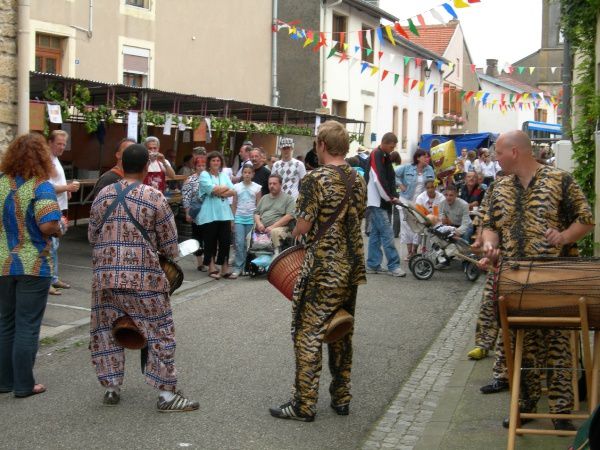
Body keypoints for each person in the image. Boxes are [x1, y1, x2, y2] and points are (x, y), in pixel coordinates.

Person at [478, 130, 593, 431]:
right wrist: (490, 244)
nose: (495, 158)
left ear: (515, 152)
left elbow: (586, 218)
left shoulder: (559, 180)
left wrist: (564, 236)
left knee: (559, 345)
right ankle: (524, 406)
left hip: (555, 278)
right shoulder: (498, 187)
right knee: (520, 345)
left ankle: (562, 413)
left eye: (499, 153)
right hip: (516, 280)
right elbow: (489, 226)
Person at [88, 143, 199, 411]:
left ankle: (111, 388)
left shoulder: (103, 195)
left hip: (104, 278)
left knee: (105, 330)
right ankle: (167, 396)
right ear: (148, 167)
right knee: (160, 332)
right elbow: (171, 245)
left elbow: (92, 236)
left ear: (122, 164)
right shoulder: (154, 196)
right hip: (144, 279)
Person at [269, 120, 367, 422]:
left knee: (307, 334)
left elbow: (304, 226)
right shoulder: (358, 179)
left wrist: (293, 232)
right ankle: (341, 397)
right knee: (340, 331)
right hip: (351, 268)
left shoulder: (315, 179)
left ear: (321, 145)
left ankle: (304, 404)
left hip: (323, 269)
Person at [0, 133, 63, 398]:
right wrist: (59, 229)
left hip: (3, 263)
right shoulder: (41, 186)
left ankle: (5, 381)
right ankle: (25, 384)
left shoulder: (1, 183)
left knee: (5, 323)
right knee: (27, 325)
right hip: (33, 264)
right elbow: (48, 224)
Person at [365, 133, 405, 277]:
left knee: (376, 233)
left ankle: (373, 264)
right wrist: (390, 197)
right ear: (385, 143)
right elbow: (378, 178)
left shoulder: (384, 155)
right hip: (377, 201)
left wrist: (392, 195)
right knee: (388, 233)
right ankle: (393, 265)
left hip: (380, 200)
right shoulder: (377, 154)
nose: (393, 149)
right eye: (392, 146)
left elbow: (389, 177)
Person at [48, 130, 81, 296]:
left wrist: (65, 188)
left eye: (64, 144)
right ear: (50, 143)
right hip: (50, 208)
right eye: (59, 144)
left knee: (55, 245)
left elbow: (56, 184)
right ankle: (48, 282)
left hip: (58, 207)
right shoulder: (47, 160)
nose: (62, 147)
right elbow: (47, 187)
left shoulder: (55, 159)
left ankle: (53, 278)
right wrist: (67, 187)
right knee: (50, 246)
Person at [197, 151, 236, 280]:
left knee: (225, 241)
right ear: (209, 162)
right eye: (213, 160)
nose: (216, 163)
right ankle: (212, 267)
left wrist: (219, 190)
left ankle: (225, 268)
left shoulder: (224, 175)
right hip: (209, 214)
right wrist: (222, 189)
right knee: (210, 241)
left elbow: (233, 191)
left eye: (218, 161)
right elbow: (210, 189)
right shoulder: (204, 174)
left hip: (225, 214)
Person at [396, 149, 436, 259]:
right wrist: (400, 185)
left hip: (420, 202)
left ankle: (414, 250)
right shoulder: (407, 167)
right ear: (418, 158)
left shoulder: (429, 169)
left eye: (428, 157)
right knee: (406, 226)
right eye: (425, 156)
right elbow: (394, 175)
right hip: (406, 199)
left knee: (418, 226)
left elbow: (432, 184)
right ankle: (409, 252)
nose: (427, 159)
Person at [231, 165, 262, 278]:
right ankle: (238, 267)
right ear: (242, 174)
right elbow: (234, 204)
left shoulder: (257, 188)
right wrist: (233, 220)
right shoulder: (236, 187)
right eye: (245, 172)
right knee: (239, 243)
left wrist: (258, 220)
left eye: (249, 172)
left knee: (249, 244)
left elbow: (259, 205)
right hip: (239, 217)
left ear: (253, 174)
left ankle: (247, 266)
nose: (247, 174)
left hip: (251, 218)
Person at [254, 174, 295, 254]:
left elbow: (290, 216)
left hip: (280, 228)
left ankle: (276, 257)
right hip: (263, 228)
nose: (272, 186)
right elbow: (256, 213)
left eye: (274, 183)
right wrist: (259, 224)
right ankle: (259, 259)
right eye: (270, 184)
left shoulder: (288, 199)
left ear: (280, 184)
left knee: (274, 232)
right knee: (251, 235)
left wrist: (273, 226)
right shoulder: (264, 198)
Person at [181, 155, 207, 271]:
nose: (201, 168)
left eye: (203, 165)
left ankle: (209, 260)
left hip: (209, 212)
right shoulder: (190, 180)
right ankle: (199, 262)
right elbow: (186, 198)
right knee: (197, 237)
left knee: (209, 237)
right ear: (195, 167)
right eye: (199, 165)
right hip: (196, 212)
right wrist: (187, 213)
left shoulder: (209, 178)